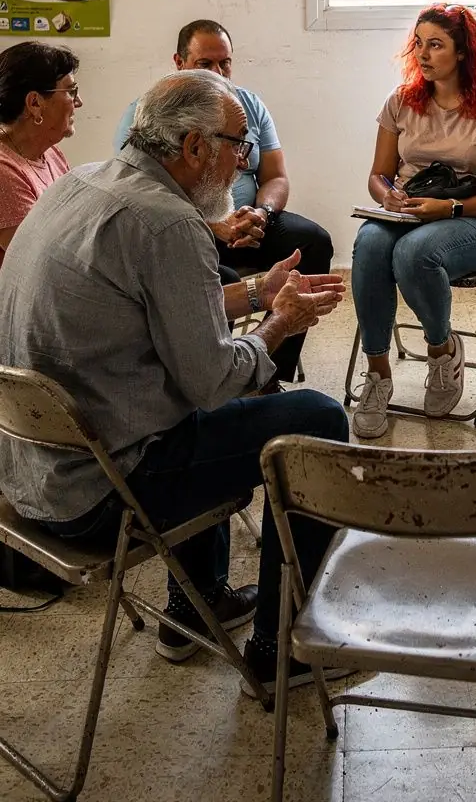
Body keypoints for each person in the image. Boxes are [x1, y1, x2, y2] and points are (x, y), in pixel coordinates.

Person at [0, 71, 349, 691]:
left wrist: (253, 292)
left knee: (184, 392)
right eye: (237, 145)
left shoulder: (79, 181)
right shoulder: (169, 224)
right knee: (317, 417)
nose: (243, 159)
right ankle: (282, 648)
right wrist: (279, 323)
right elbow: (214, 380)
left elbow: (159, 313)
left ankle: (199, 601)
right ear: (193, 148)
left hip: (29, 479)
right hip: (101, 499)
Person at [114, 18, 332, 380]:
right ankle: (214, 374)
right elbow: (145, 190)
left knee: (312, 242)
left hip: (248, 220)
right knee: (222, 276)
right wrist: (215, 224)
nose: (218, 72)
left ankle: (270, 374)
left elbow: (276, 176)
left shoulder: (248, 105)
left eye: (225, 62)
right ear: (179, 62)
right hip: (190, 226)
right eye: (205, 64)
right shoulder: (151, 110)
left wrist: (260, 213)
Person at [351, 4, 476, 438]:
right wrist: (387, 195)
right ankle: (377, 374)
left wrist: (448, 209)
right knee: (370, 245)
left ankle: (442, 352)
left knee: (414, 253)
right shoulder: (401, 101)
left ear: (463, 52)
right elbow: (378, 174)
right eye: (419, 44)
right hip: (408, 210)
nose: (423, 54)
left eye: (435, 45)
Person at [0, 41, 81, 264]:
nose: (79, 102)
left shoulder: (51, 153)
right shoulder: (3, 173)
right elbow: (42, 258)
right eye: (71, 91)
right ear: (34, 102)